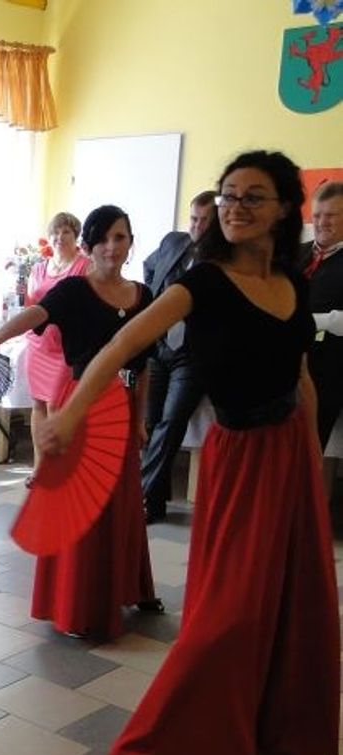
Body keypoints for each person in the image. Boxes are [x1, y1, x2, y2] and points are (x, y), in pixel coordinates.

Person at [37, 151, 339, 755]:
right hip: (240, 457)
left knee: (296, 598)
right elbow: (121, 347)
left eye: (253, 197)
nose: (235, 207)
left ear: (285, 208)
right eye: (229, 195)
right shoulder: (200, 283)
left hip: (289, 450)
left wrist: (312, 470)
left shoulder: (291, 280)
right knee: (227, 611)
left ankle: (270, 727)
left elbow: (301, 377)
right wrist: (67, 416)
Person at [0, 205, 160, 640]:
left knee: (125, 504)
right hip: (83, 406)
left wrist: (140, 417)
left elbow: (145, 364)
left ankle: (129, 587)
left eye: (121, 237)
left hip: (125, 405)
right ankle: (78, 605)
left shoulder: (144, 295)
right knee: (84, 509)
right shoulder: (74, 290)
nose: (112, 247)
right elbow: (35, 315)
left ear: (131, 243)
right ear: (89, 246)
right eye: (103, 239)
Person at [139, 190, 217, 522]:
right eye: (194, 218)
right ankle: (154, 502)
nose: (197, 226)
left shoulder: (225, 259)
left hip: (194, 355)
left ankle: (141, 495)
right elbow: (149, 268)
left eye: (204, 221)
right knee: (151, 422)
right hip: (161, 348)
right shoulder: (174, 242)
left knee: (171, 424)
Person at [23, 212, 91, 484]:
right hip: (38, 345)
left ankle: (59, 467)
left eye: (66, 232)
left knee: (56, 406)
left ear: (76, 236)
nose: (60, 237)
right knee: (38, 404)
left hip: (65, 348)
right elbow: (30, 305)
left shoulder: (85, 266)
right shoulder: (38, 269)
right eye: (55, 233)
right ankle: (40, 467)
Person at [302, 180, 343, 447]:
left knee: (309, 452)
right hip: (283, 368)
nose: (321, 222)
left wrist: (303, 322)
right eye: (317, 215)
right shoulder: (295, 255)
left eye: (330, 215)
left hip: (328, 372)